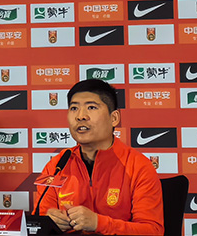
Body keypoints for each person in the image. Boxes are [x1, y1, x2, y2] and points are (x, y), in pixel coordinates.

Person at [33, 79, 163, 235]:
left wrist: (98, 223)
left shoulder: (138, 166)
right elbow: (37, 222)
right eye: (74, 108)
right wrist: (48, 221)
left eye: (91, 107)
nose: (80, 116)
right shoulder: (56, 165)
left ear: (114, 118)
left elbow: (152, 231)